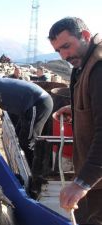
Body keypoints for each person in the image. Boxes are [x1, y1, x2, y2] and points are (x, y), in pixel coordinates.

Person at [49, 17, 102, 224]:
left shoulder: (99, 68)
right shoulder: (83, 63)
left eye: (66, 46)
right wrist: (77, 109)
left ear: (86, 36)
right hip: (94, 176)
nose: (63, 55)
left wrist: (81, 184)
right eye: (58, 51)